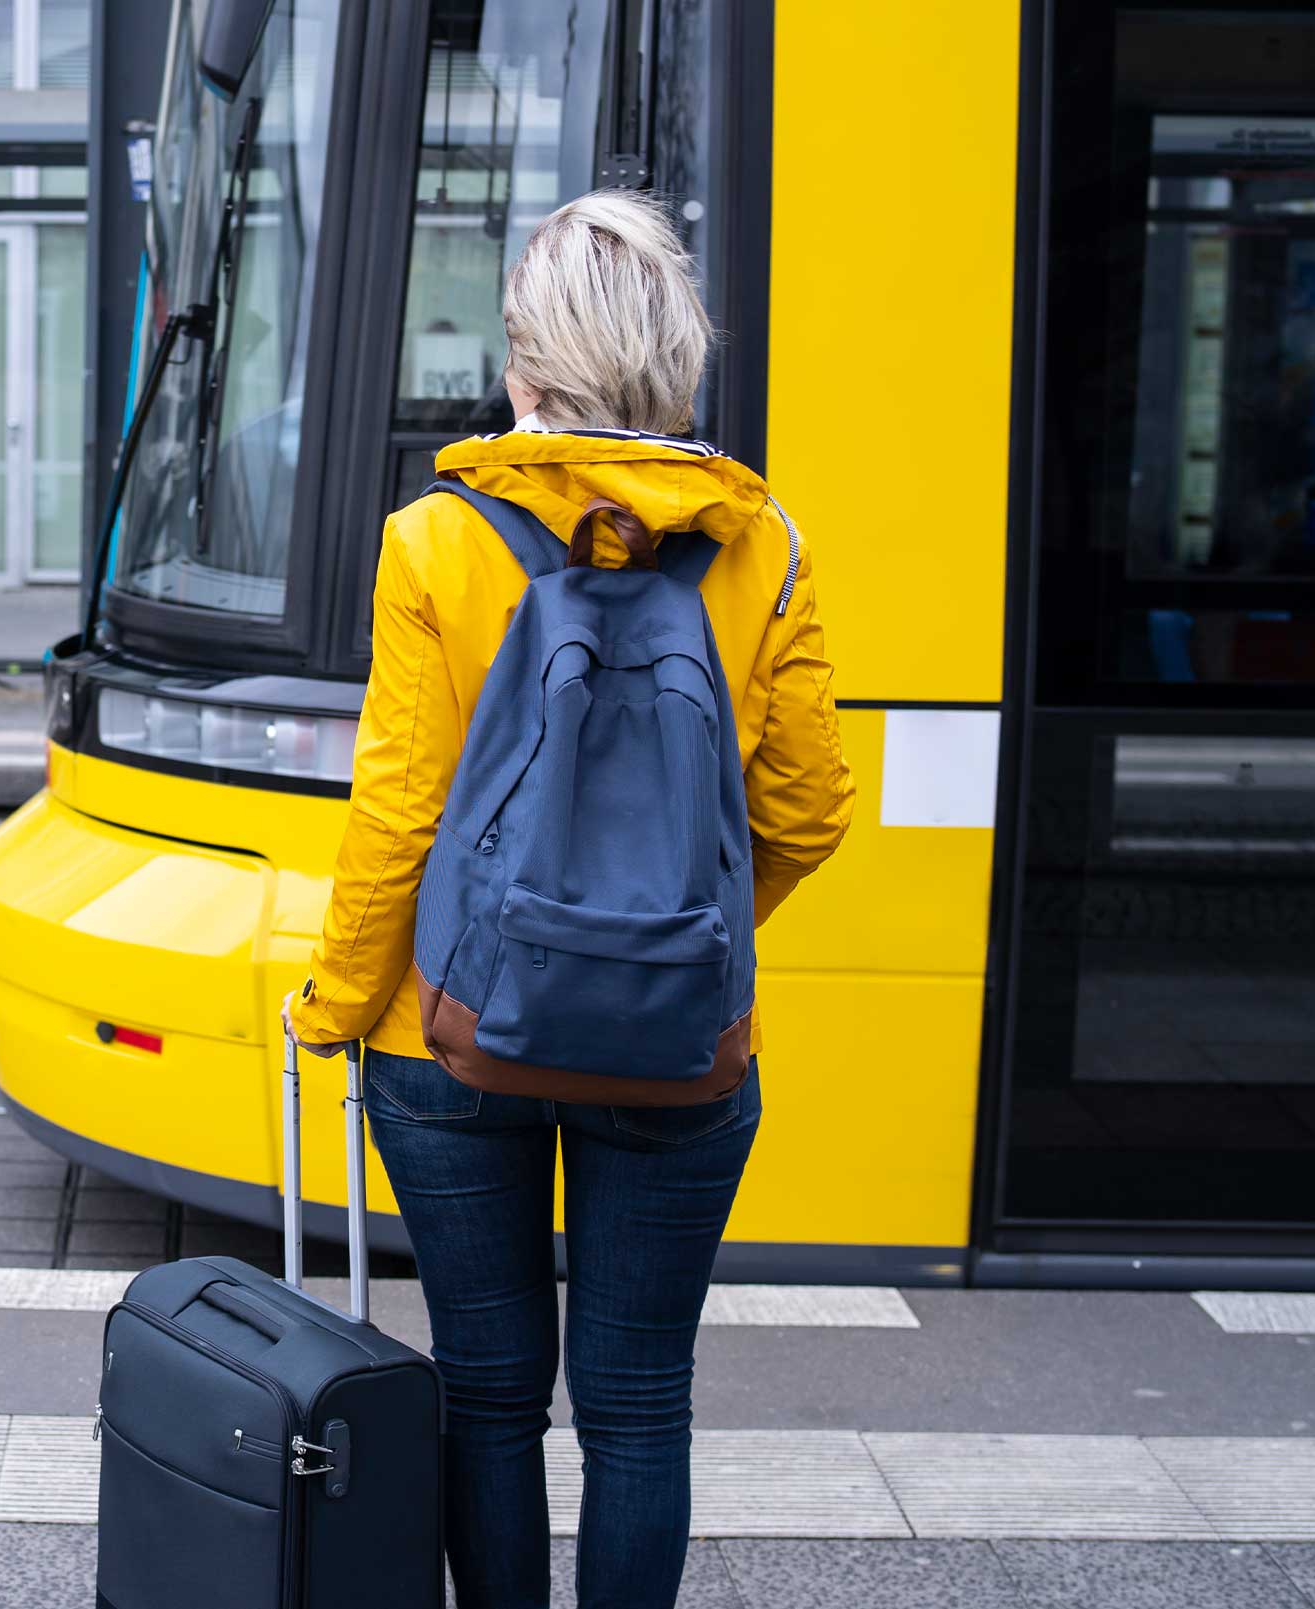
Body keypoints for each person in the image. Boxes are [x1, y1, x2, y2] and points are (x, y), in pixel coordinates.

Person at [281, 189, 854, 1609]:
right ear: (677, 361)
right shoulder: (763, 541)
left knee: (487, 1392)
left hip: (454, 1039)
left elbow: (400, 815)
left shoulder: (437, 540)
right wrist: (686, 946)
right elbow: (808, 809)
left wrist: (337, 1001)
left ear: (524, 365)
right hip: (682, 1052)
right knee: (641, 1403)